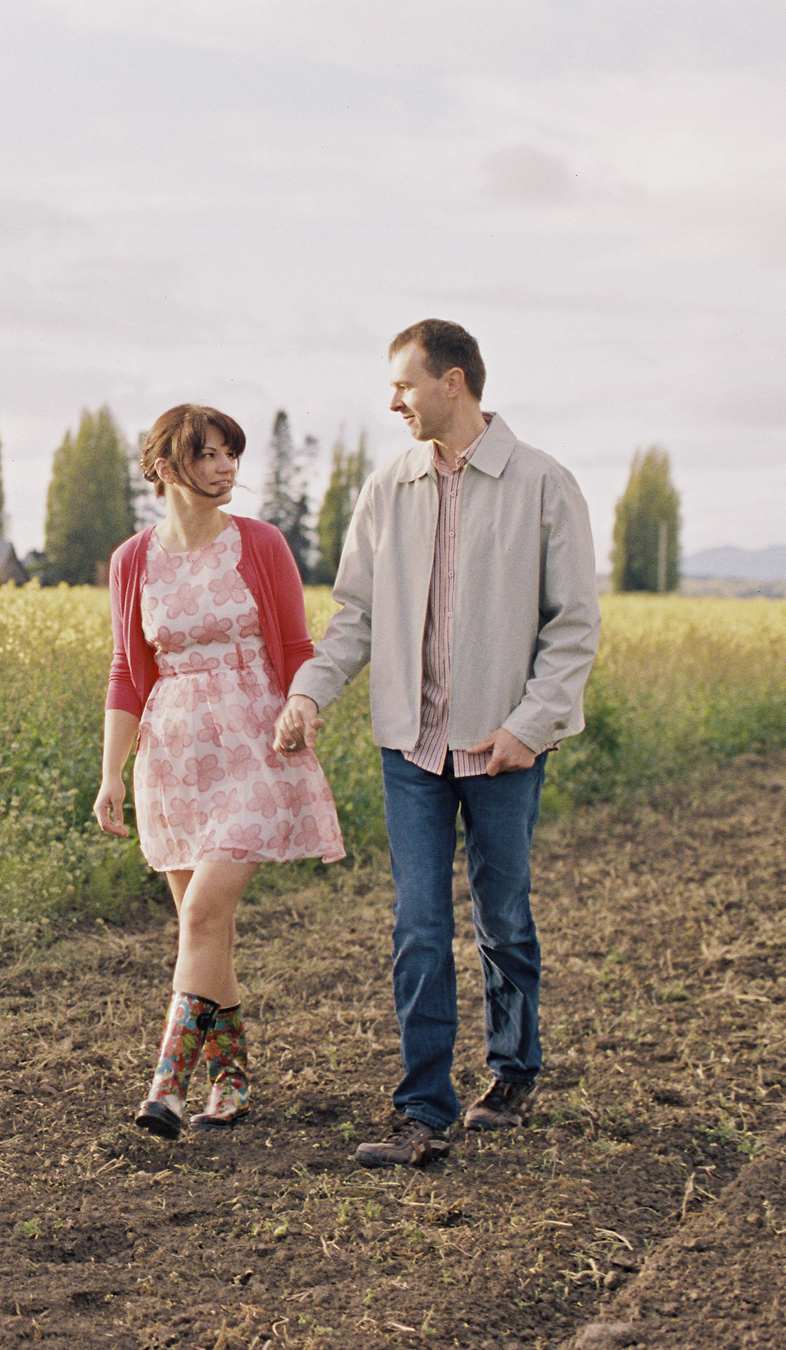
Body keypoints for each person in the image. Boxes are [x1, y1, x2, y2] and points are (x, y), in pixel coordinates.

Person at [275, 319, 599, 1168]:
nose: (394, 402)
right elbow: (356, 616)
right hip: (409, 748)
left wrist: (528, 728)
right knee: (418, 926)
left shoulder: (542, 484)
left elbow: (572, 629)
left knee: (502, 918)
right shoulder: (389, 487)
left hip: (501, 749)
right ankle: (423, 1109)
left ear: (453, 382)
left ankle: (513, 1069)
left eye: (404, 385)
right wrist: (310, 693)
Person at [95, 403, 345, 1139]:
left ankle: (165, 1088)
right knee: (205, 929)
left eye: (230, 454)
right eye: (206, 456)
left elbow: (296, 644)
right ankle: (230, 1081)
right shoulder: (131, 560)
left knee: (202, 916)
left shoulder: (260, 544)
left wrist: (302, 702)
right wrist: (112, 772)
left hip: (256, 742)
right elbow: (124, 671)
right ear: (166, 468)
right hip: (172, 753)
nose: (224, 467)